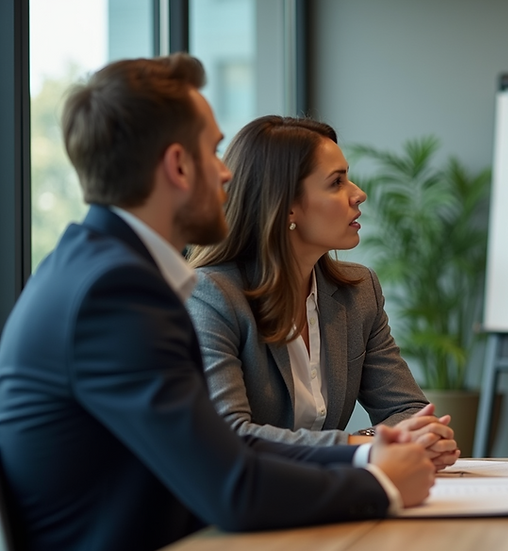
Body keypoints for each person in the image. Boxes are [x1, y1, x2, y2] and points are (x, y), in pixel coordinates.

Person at [0, 54, 435, 551]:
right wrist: (378, 482)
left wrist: (367, 459)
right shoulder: (115, 292)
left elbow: (225, 454)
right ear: (178, 166)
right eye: (213, 151)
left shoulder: (101, 270)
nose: (228, 175)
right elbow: (232, 486)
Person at [184, 116, 459, 470]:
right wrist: (364, 447)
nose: (359, 194)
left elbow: (407, 411)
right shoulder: (212, 296)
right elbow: (232, 435)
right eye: (336, 182)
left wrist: (404, 439)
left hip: (331, 499)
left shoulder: (359, 292)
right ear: (287, 207)